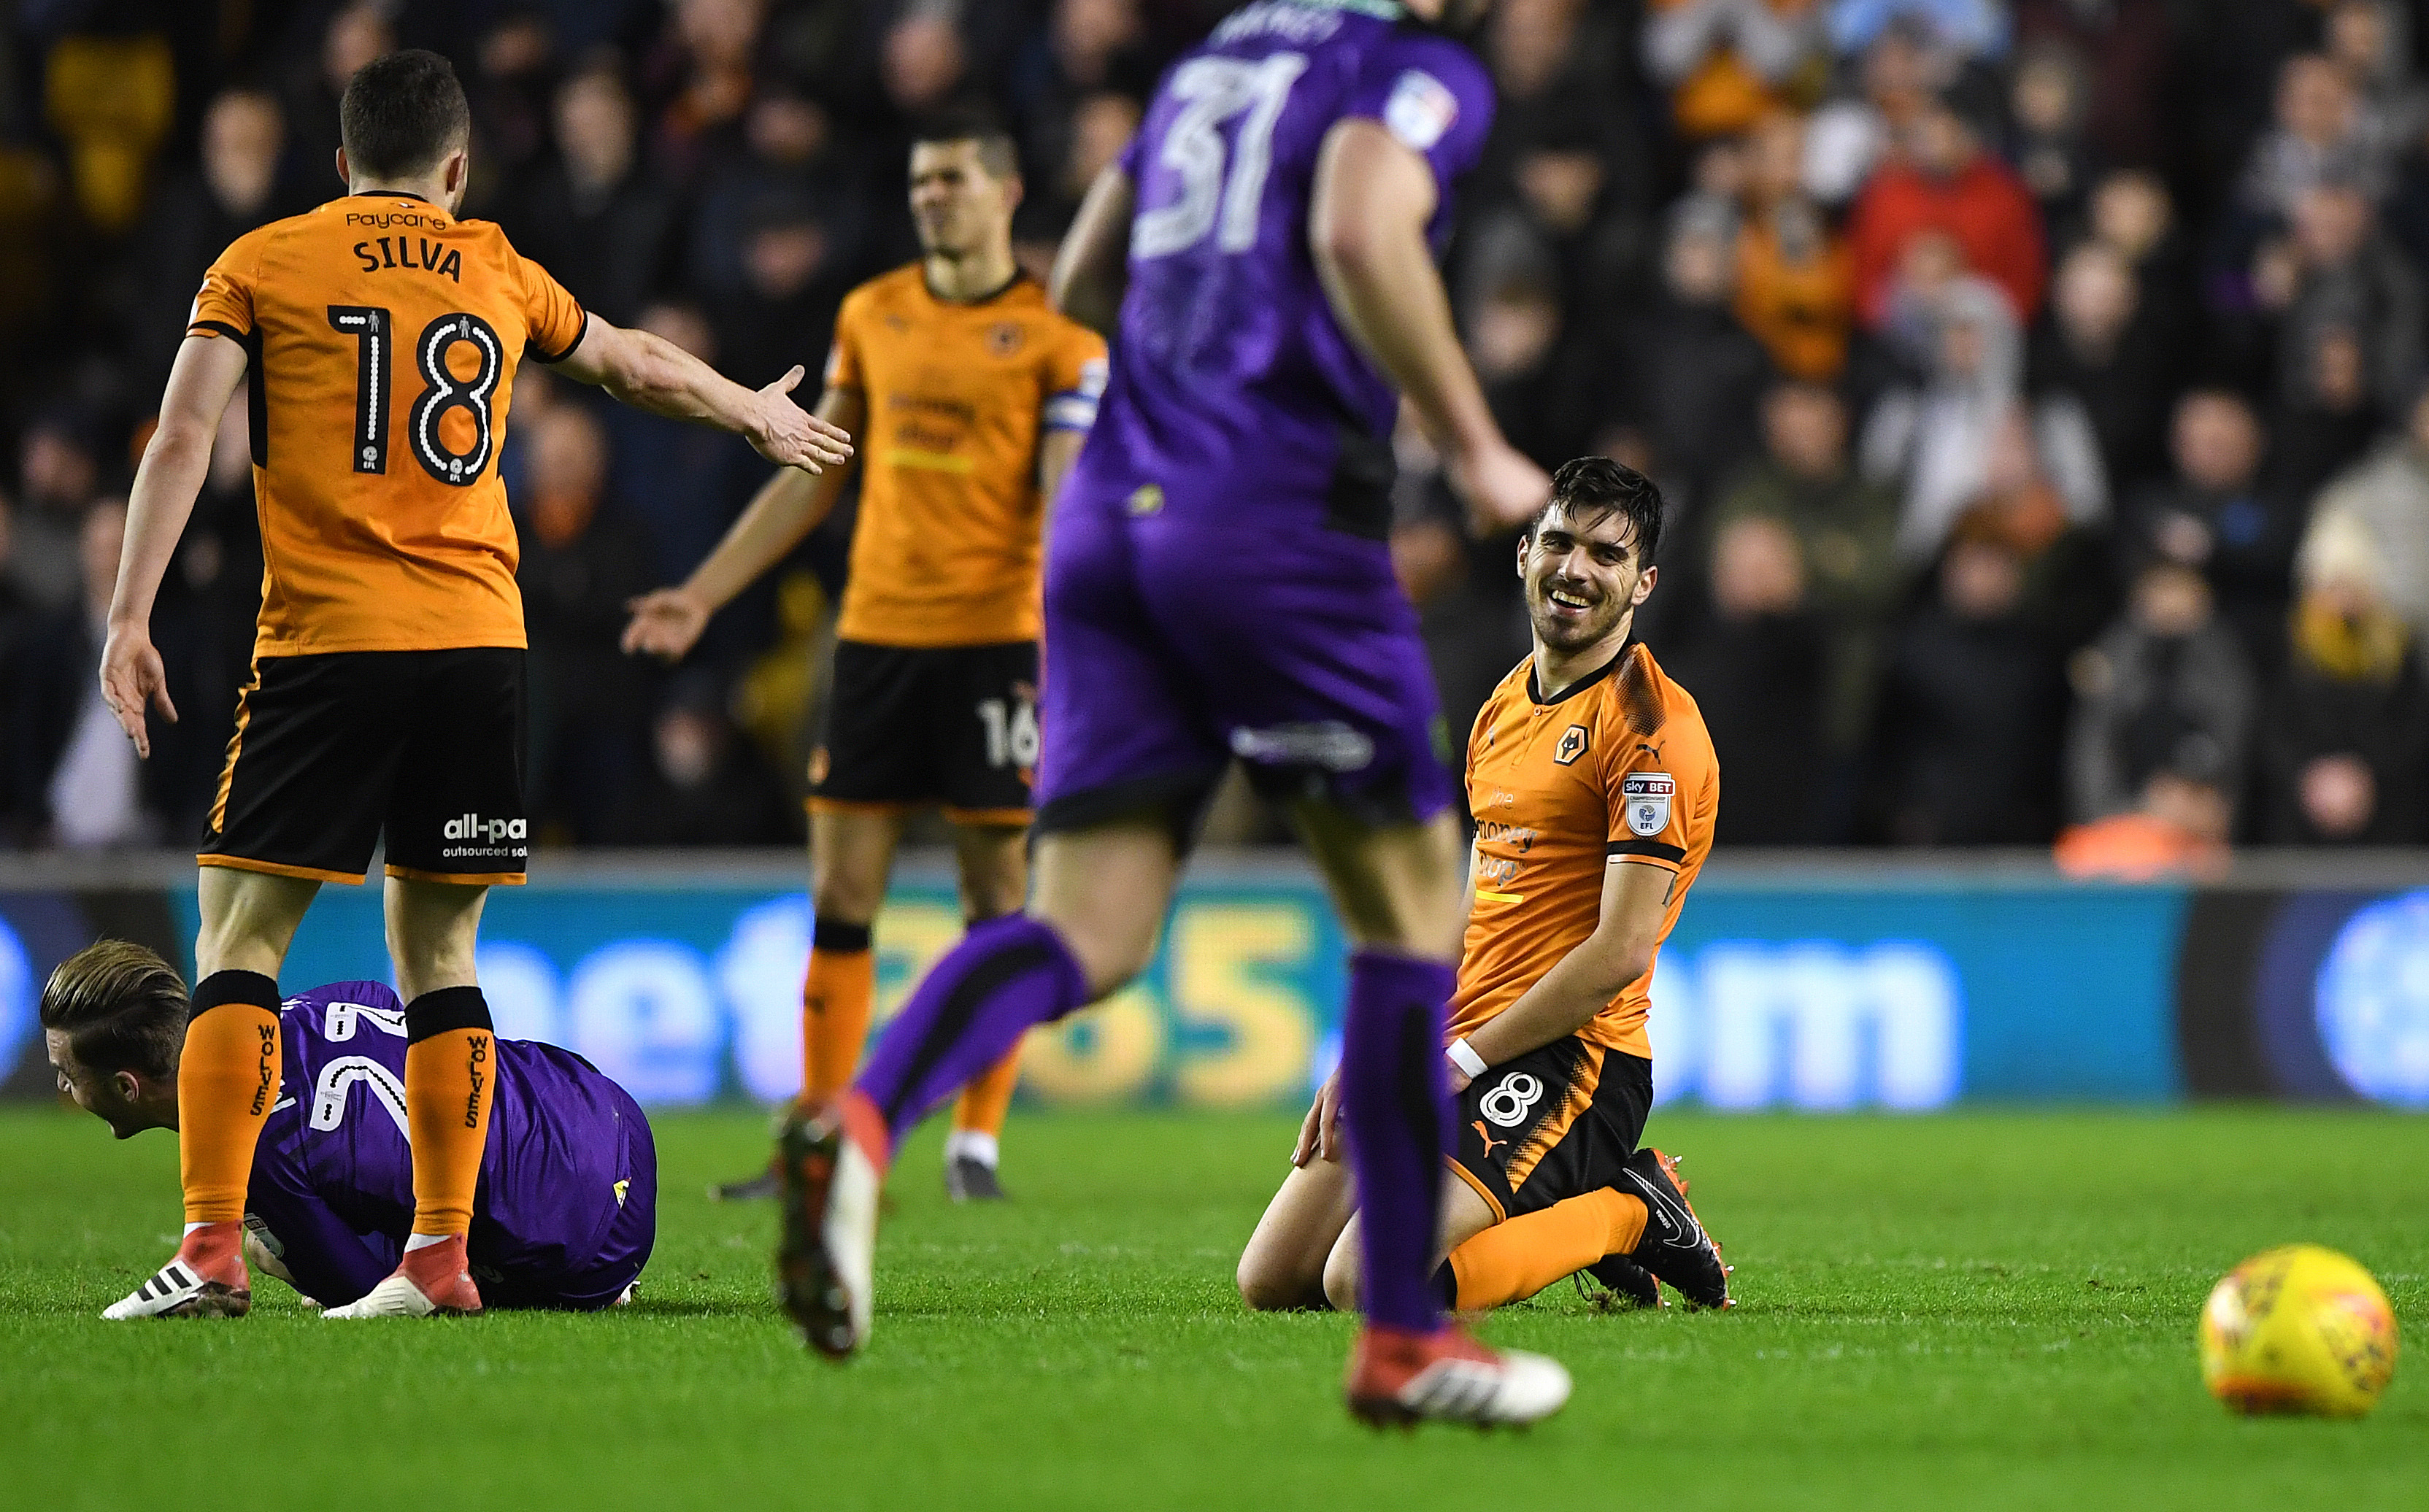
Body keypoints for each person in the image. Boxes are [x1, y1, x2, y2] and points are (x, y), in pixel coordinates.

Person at [771, 0, 1573, 1427]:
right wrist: (1476, 445)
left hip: (1103, 527)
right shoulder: (1404, 67)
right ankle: (1398, 1341)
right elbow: (1354, 227)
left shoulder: (1212, 62)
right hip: (1275, 524)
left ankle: (863, 1118)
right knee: (1403, 916)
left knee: (1085, 932)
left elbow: (1074, 277)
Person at [95, 49, 850, 1322]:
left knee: (239, 941)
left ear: (339, 163)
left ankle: (214, 1249)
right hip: (477, 647)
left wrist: (130, 609)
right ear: (455, 168)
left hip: (327, 645)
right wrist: (750, 414)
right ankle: (438, 1257)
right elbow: (632, 364)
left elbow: (180, 436)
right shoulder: (492, 262)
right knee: (440, 953)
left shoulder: (264, 260)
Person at [623, 117, 1109, 1205]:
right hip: (876, 640)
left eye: (950, 176)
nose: (930, 195)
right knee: (842, 893)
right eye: (918, 179)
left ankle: (975, 1146)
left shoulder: (1058, 339)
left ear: (1006, 189)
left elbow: (1070, 500)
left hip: (999, 649)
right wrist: (704, 593)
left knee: (999, 899)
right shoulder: (871, 314)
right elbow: (814, 471)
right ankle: (815, 1137)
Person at [1236, 459, 1731, 1318]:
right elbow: (1476, 896)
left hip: (1574, 1056)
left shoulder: (1653, 728)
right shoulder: (1504, 703)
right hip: (1461, 1033)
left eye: (1606, 556)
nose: (1575, 569)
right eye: (1559, 541)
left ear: (1641, 583)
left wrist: (1462, 1059)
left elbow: (1618, 951)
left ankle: (1626, 1209)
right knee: (1274, 1279)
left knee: (1367, 1281)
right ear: (1523, 553)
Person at [42, 940, 655, 1314]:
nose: (64, 1089)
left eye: (67, 1074)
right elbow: (380, 1000)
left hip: (593, 1250)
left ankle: (567, 1282)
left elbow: (363, 1288)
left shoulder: (253, 1158)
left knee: (268, 1249)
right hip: (610, 1111)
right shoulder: (319, 1002)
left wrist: (294, 1248)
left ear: (128, 1086)